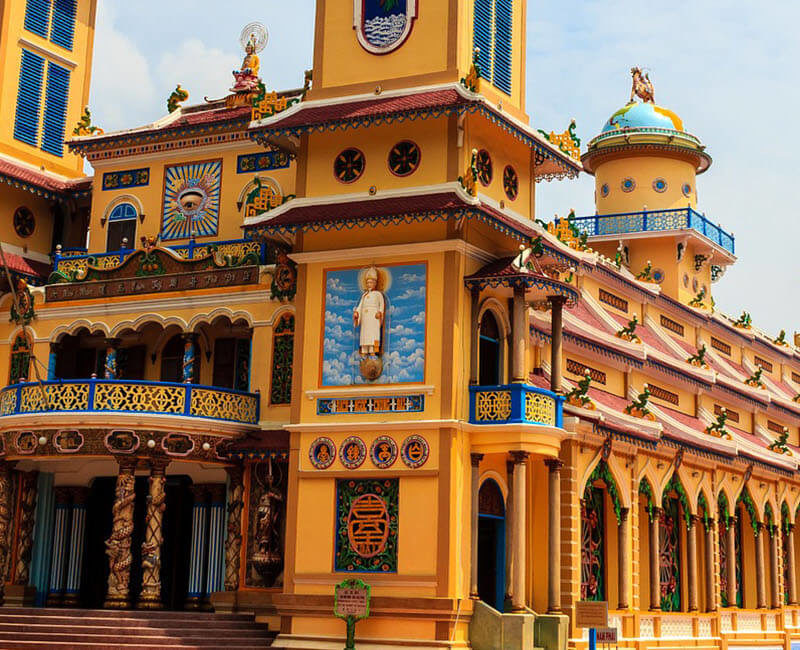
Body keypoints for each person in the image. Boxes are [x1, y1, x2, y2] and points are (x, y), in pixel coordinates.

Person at [353, 267, 384, 355]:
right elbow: (360, 306)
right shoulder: (364, 295)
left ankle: (372, 351)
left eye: (371, 282)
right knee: (365, 335)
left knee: (372, 334)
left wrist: (380, 312)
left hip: (373, 318)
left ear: (375, 283)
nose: (369, 284)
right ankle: (364, 350)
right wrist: (357, 313)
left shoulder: (378, 294)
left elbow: (381, 305)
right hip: (365, 318)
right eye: (367, 283)